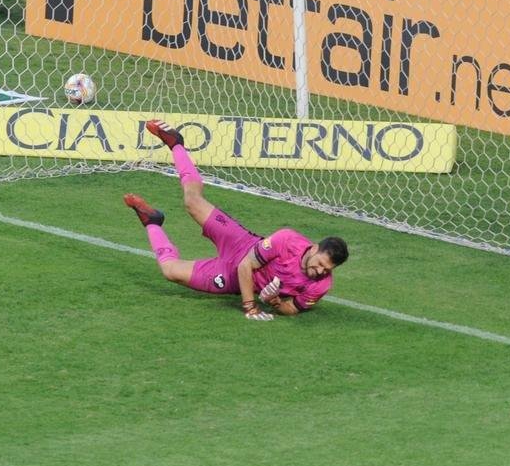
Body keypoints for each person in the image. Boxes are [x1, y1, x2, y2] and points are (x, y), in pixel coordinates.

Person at [124, 119, 349, 320]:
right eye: (320, 264)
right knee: (192, 202)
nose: (320, 271)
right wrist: (250, 307)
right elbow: (246, 264)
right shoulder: (287, 240)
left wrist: (275, 303)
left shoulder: (321, 285)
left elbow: (292, 309)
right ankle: (176, 143)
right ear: (314, 248)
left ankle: (152, 221)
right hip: (241, 243)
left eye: (327, 269)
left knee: (170, 271)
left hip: (230, 278)